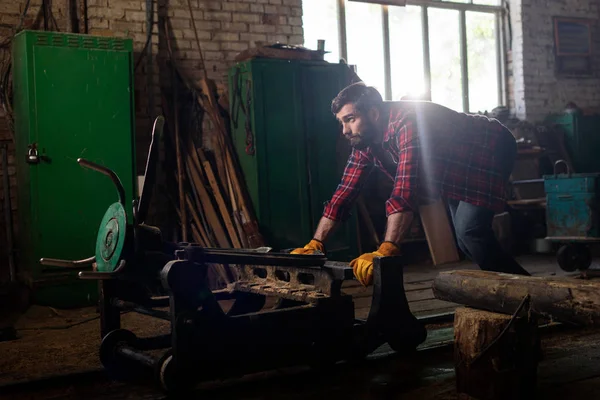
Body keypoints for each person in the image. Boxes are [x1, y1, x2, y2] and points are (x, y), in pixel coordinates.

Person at [291, 82, 530, 286]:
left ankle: (528, 293)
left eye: (350, 119)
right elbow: (344, 193)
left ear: (373, 114)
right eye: (341, 122)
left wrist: (386, 249)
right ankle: (513, 292)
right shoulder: (366, 139)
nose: (345, 130)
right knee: (466, 240)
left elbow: (405, 191)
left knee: (471, 232)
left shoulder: (406, 122)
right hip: (457, 166)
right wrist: (316, 243)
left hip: (490, 148)